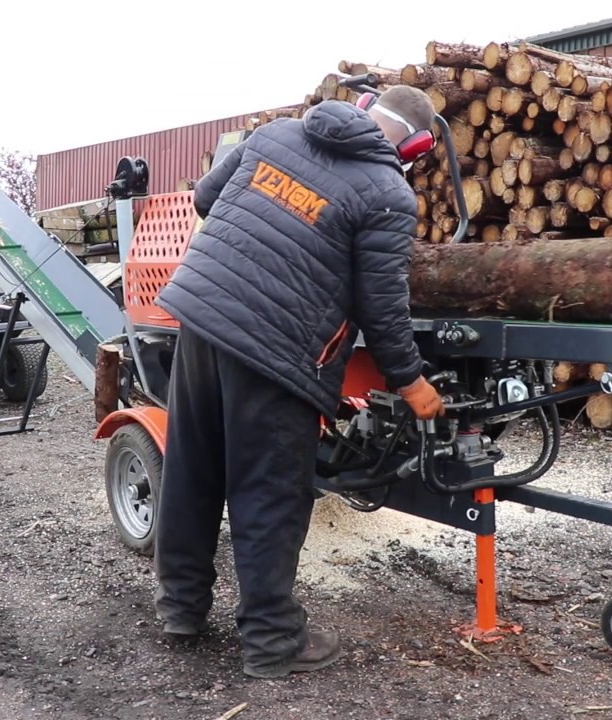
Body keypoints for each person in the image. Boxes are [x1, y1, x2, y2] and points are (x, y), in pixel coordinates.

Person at [151, 85, 446, 680]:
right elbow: (382, 306)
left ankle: (180, 610)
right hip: (277, 351)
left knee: (193, 469)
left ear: (364, 108)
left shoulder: (276, 134)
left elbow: (208, 197)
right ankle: (272, 641)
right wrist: (411, 382)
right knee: (270, 492)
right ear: (414, 148)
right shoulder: (389, 193)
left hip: (202, 322)